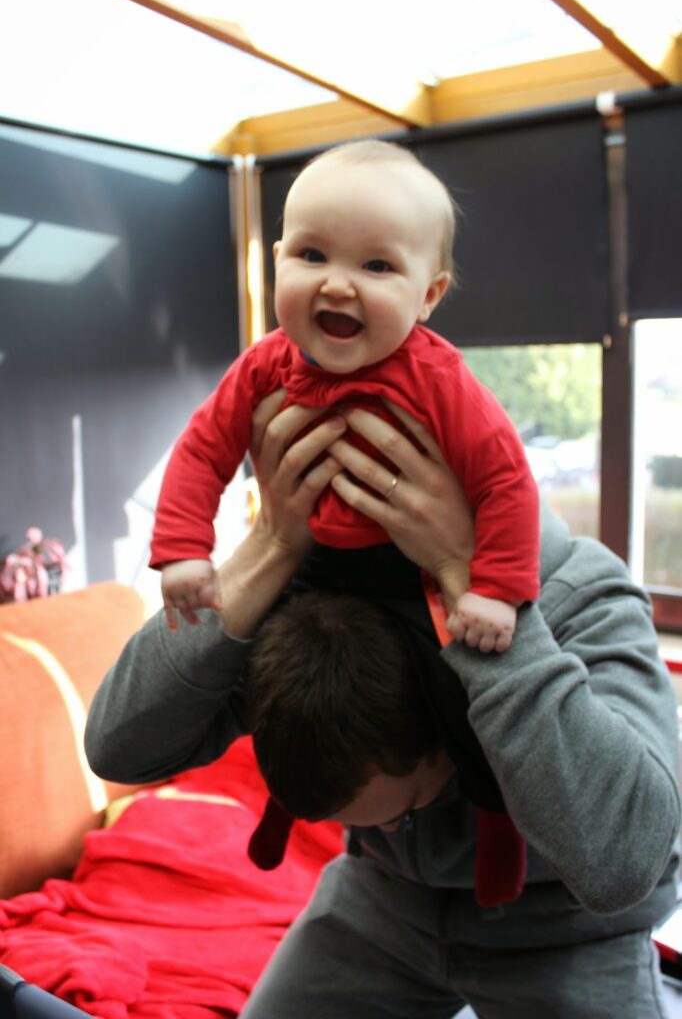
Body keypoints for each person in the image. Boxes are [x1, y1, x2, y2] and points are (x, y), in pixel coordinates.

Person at [86, 393, 680, 1018]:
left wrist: (475, 590)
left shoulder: (583, 595)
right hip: (391, 895)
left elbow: (625, 865)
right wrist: (269, 547)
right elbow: (116, 749)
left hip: (564, 920)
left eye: (404, 811)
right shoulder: (321, 597)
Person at [150, 138, 540, 653]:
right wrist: (183, 548)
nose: (337, 285)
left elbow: (505, 479)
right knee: (264, 665)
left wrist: (494, 590)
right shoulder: (263, 367)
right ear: (278, 260)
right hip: (304, 559)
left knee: (441, 668)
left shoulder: (438, 379)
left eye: (376, 266)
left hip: (410, 568)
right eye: (312, 255)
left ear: (428, 294)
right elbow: (202, 451)